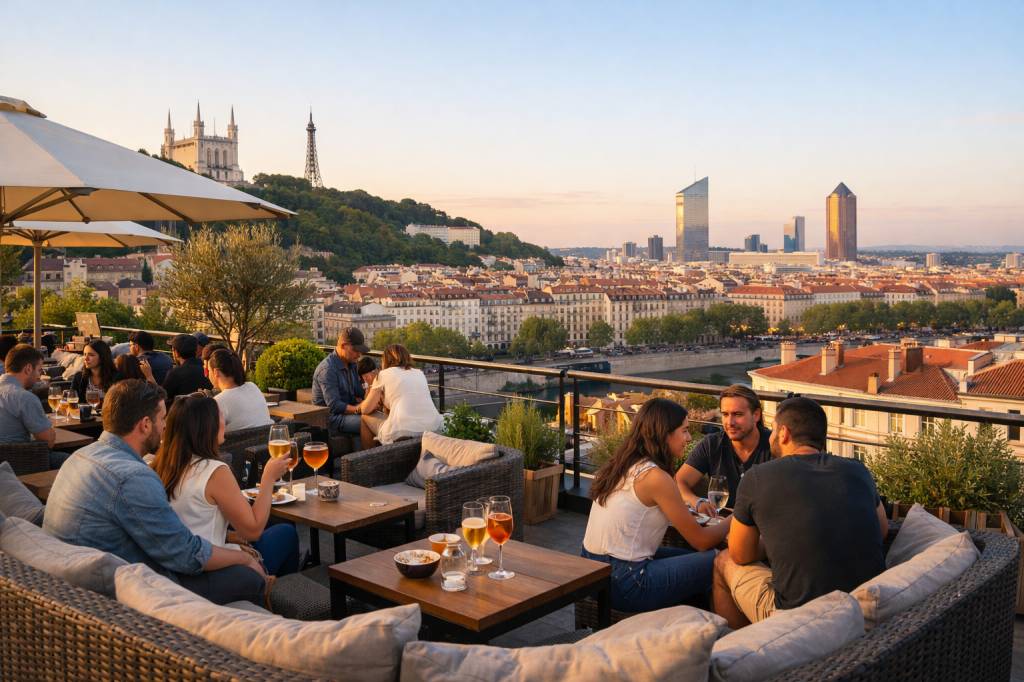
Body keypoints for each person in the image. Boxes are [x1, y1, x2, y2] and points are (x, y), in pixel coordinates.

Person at [43, 380, 268, 605]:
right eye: (162, 419)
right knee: (249, 577)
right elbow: (186, 556)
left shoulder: (80, 456)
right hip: (117, 595)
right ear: (145, 425)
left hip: (69, 582)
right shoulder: (132, 477)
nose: (164, 428)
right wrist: (242, 558)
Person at [712, 397, 888, 629]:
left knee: (722, 561)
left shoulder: (757, 477)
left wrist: (772, 541)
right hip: (860, 609)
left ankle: (745, 647)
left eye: (773, 430)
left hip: (799, 621)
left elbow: (740, 554)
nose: (771, 436)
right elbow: (882, 529)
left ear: (784, 433)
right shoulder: (858, 470)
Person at [582, 398, 729, 613]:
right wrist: (736, 519)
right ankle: (723, 632)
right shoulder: (655, 477)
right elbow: (701, 541)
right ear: (664, 434)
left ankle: (689, 623)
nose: (689, 438)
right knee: (718, 559)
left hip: (594, 570)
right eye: (684, 431)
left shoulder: (624, 464)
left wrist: (693, 505)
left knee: (691, 560)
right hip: (626, 582)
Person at [152, 393, 299, 577]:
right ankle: (275, 595)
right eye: (220, 416)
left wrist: (228, 535)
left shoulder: (161, 466)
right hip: (213, 569)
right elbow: (253, 530)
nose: (225, 421)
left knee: (279, 528)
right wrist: (268, 478)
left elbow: (188, 521)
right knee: (286, 533)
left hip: (178, 566)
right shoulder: (214, 471)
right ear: (206, 427)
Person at [675, 385, 772, 518]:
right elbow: (679, 481)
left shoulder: (775, 446)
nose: (730, 422)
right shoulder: (712, 444)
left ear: (756, 415)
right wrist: (697, 501)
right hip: (721, 527)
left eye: (738, 414)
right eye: (725, 414)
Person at [357, 344, 442, 447]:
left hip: (404, 430)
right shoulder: (419, 373)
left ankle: (368, 459)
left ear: (386, 360)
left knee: (364, 417)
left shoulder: (383, 374)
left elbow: (365, 410)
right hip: (433, 426)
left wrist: (359, 406)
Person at [0, 344, 58, 468]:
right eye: (39, 370)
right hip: (19, 464)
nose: (39, 376)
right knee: (77, 463)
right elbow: (48, 442)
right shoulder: (25, 398)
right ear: (28, 369)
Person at [311, 327, 368, 440]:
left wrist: (370, 386)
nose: (359, 355)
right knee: (369, 423)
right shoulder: (328, 369)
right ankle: (365, 457)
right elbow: (334, 405)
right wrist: (359, 409)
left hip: (347, 414)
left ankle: (364, 456)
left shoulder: (351, 364)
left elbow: (359, 392)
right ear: (343, 346)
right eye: (356, 350)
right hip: (330, 420)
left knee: (383, 418)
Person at [208, 349, 273, 432]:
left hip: (235, 444)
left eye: (208, 370)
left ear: (216, 372)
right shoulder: (252, 387)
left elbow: (209, 437)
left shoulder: (218, 402)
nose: (207, 375)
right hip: (267, 440)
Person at [161, 334, 213, 403]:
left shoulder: (175, 373)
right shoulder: (207, 368)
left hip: (182, 411)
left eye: (172, 349)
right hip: (205, 410)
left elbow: (163, 397)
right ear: (196, 350)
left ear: (176, 353)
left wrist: (149, 376)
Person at [70, 339, 120, 405]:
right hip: (85, 415)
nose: (86, 358)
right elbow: (71, 400)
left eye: (91, 355)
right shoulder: (79, 377)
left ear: (102, 357)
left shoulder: (116, 378)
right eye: (85, 354)